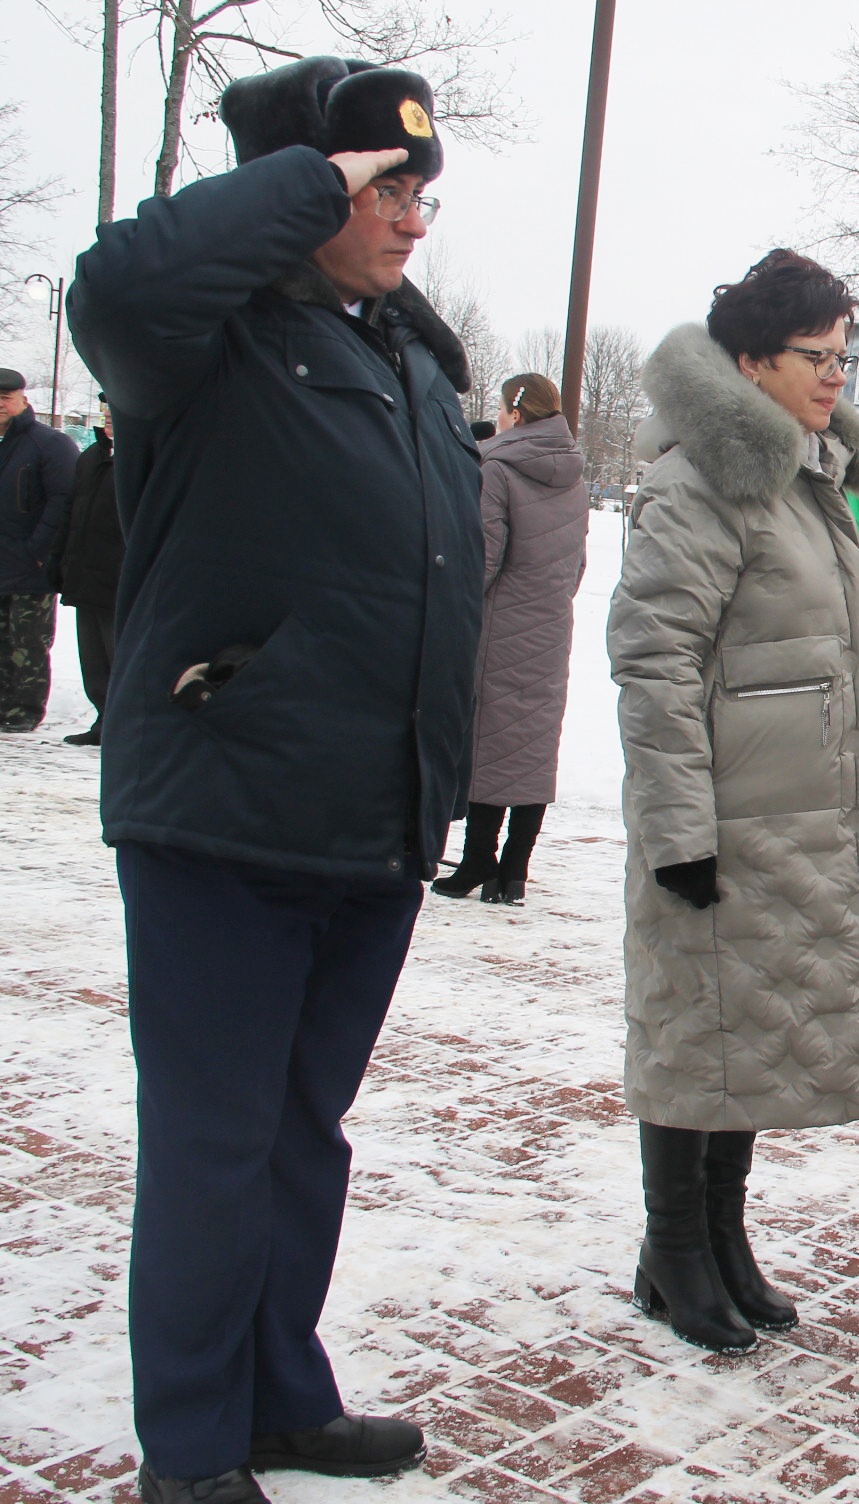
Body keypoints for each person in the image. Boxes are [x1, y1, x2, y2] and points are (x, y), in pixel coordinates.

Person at [68, 55, 484, 1504]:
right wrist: (315, 168)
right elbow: (116, 287)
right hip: (224, 814)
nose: (412, 216)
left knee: (303, 1136)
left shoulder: (411, 363)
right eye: (385, 186)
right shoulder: (200, 344)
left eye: (423, 190)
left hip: (366, 822)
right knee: (213, 1142)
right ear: (300, 185)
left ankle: (278, 1397)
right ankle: (189, 1447)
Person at [607, 250, 859, 1352]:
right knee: (698, 1032)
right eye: (816, 356)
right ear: (749, 361)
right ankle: (670, 1248)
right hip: (722, 823)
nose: (838, 375)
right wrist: (678, 831)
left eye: (847, 355)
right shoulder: (699, 482)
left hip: (795, 818)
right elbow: (654, 661)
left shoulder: (808, 478)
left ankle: (719, 1237)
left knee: (749, 1041)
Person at [433, 372, 588, 904]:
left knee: (492, 742)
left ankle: (478, 857)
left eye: (501, 410)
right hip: (551, 624)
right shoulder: (575, 474)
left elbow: (483, 561)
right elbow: (577, 564)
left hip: (500, 627)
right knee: (534, 745)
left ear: (516, 416)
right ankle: (514, 870)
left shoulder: (495, 468)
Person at [0, 365, 78, 732]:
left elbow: (63, 500)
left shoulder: (49, 444)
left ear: (22, 399)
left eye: (5, 398)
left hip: (30, 564)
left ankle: (24, 711)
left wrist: (38, 549)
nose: (0, 405)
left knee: (27, 642)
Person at [58, 396, 124, 746]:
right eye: (105, 411)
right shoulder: (91, 458)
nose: (108, 416)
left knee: (120, 658)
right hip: (86, 577)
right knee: (94, 661)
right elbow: (72, 515)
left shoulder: (142, 457)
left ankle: (124, 726)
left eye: (116, 410)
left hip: (120, 579)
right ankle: (103, 721)